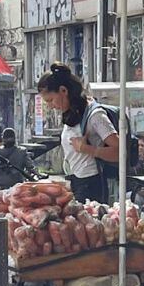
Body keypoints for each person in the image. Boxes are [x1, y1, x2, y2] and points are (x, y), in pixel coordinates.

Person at [37, 63, 119, 203]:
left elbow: (119, 151)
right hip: (75, 181)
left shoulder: (95, 115)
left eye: (50, 100)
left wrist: (87, 149)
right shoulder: (72, 115)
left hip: (91, 185)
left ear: (63, 90)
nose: (50, 106)